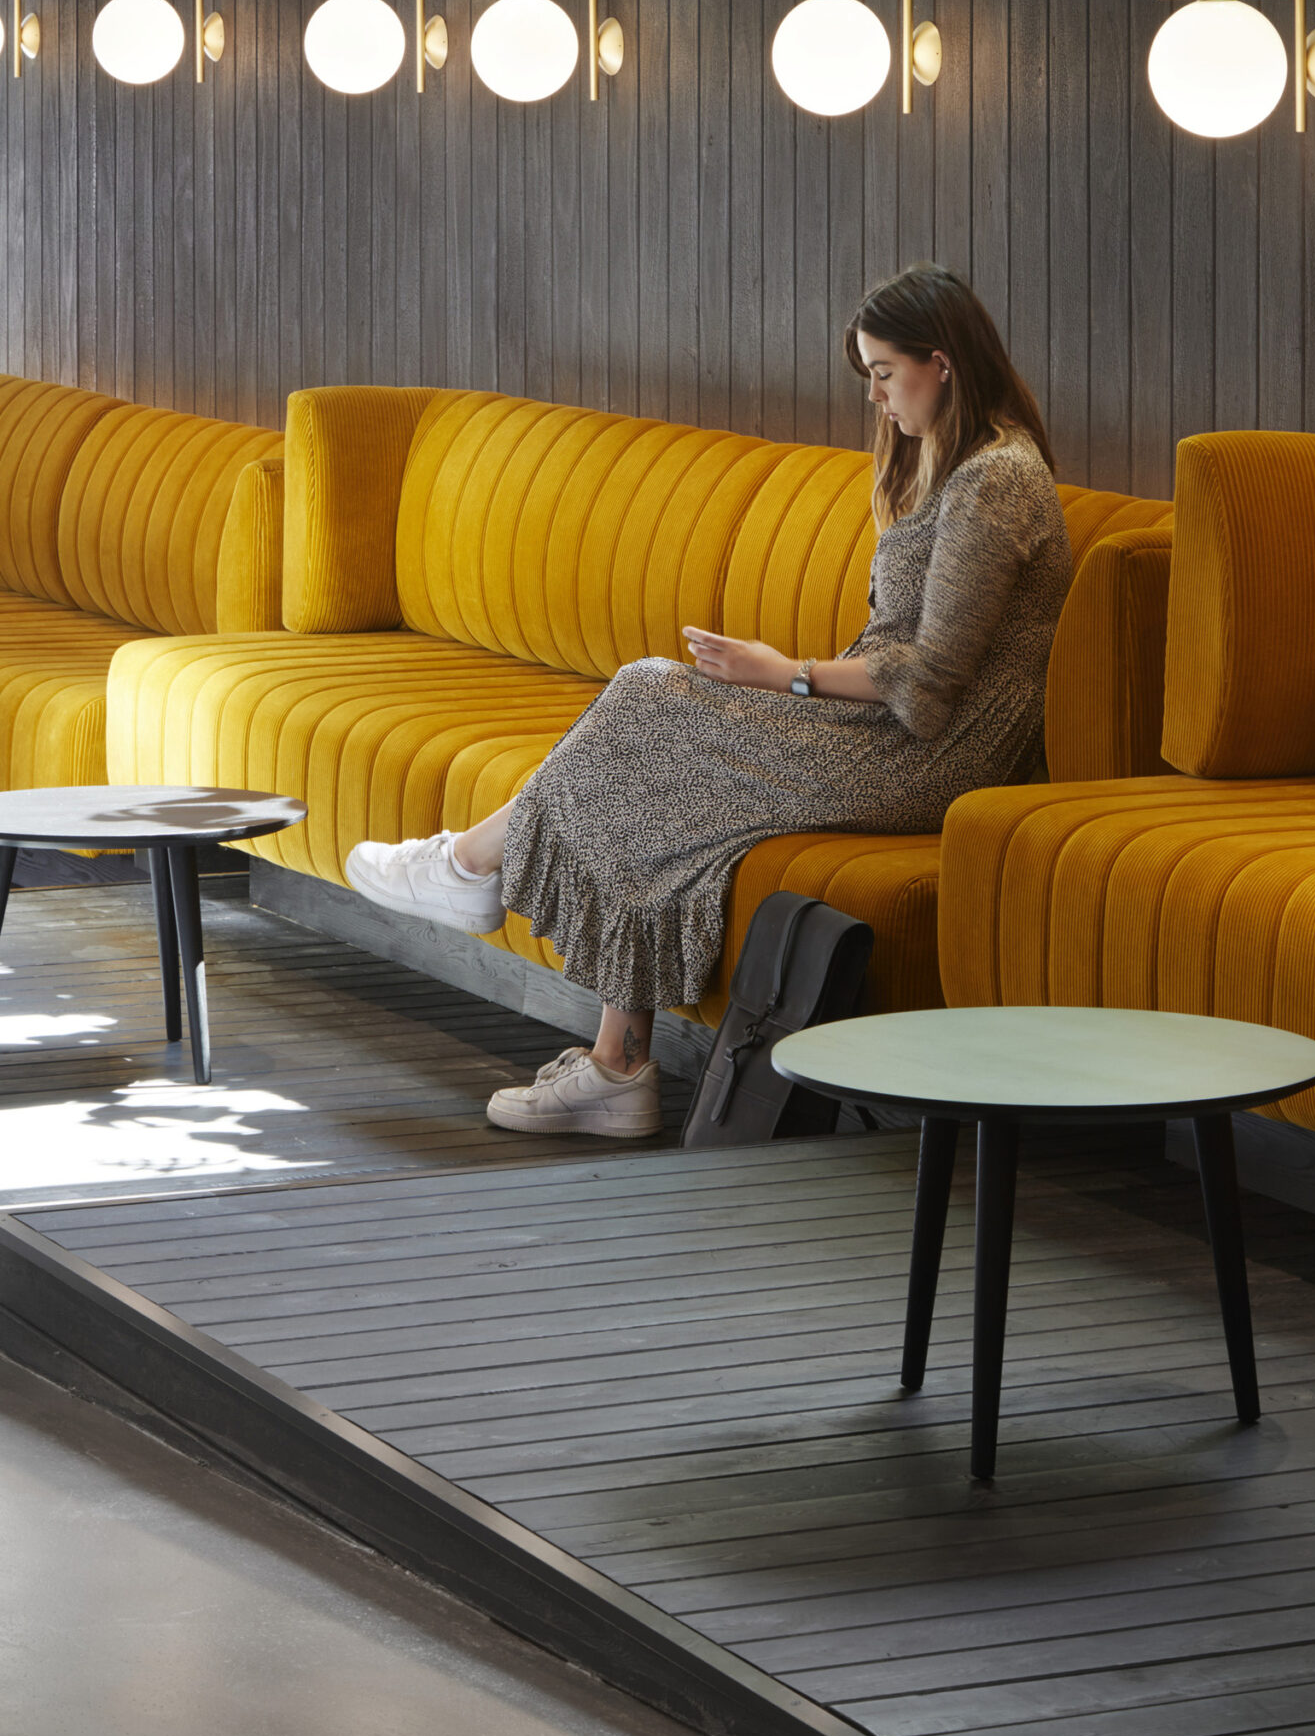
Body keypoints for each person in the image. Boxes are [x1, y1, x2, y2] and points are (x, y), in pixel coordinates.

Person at [344, 263, 1072, 1139]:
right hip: (889, 729)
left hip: (933, 753)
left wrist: (782, 674)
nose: (876, 397)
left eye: (884, 373)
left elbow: (928, 681)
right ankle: (614, 1065)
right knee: (648, 754)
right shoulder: (949, 466)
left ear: (941, 362)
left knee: (644, 696)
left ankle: (467, 868)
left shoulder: (996, 480)